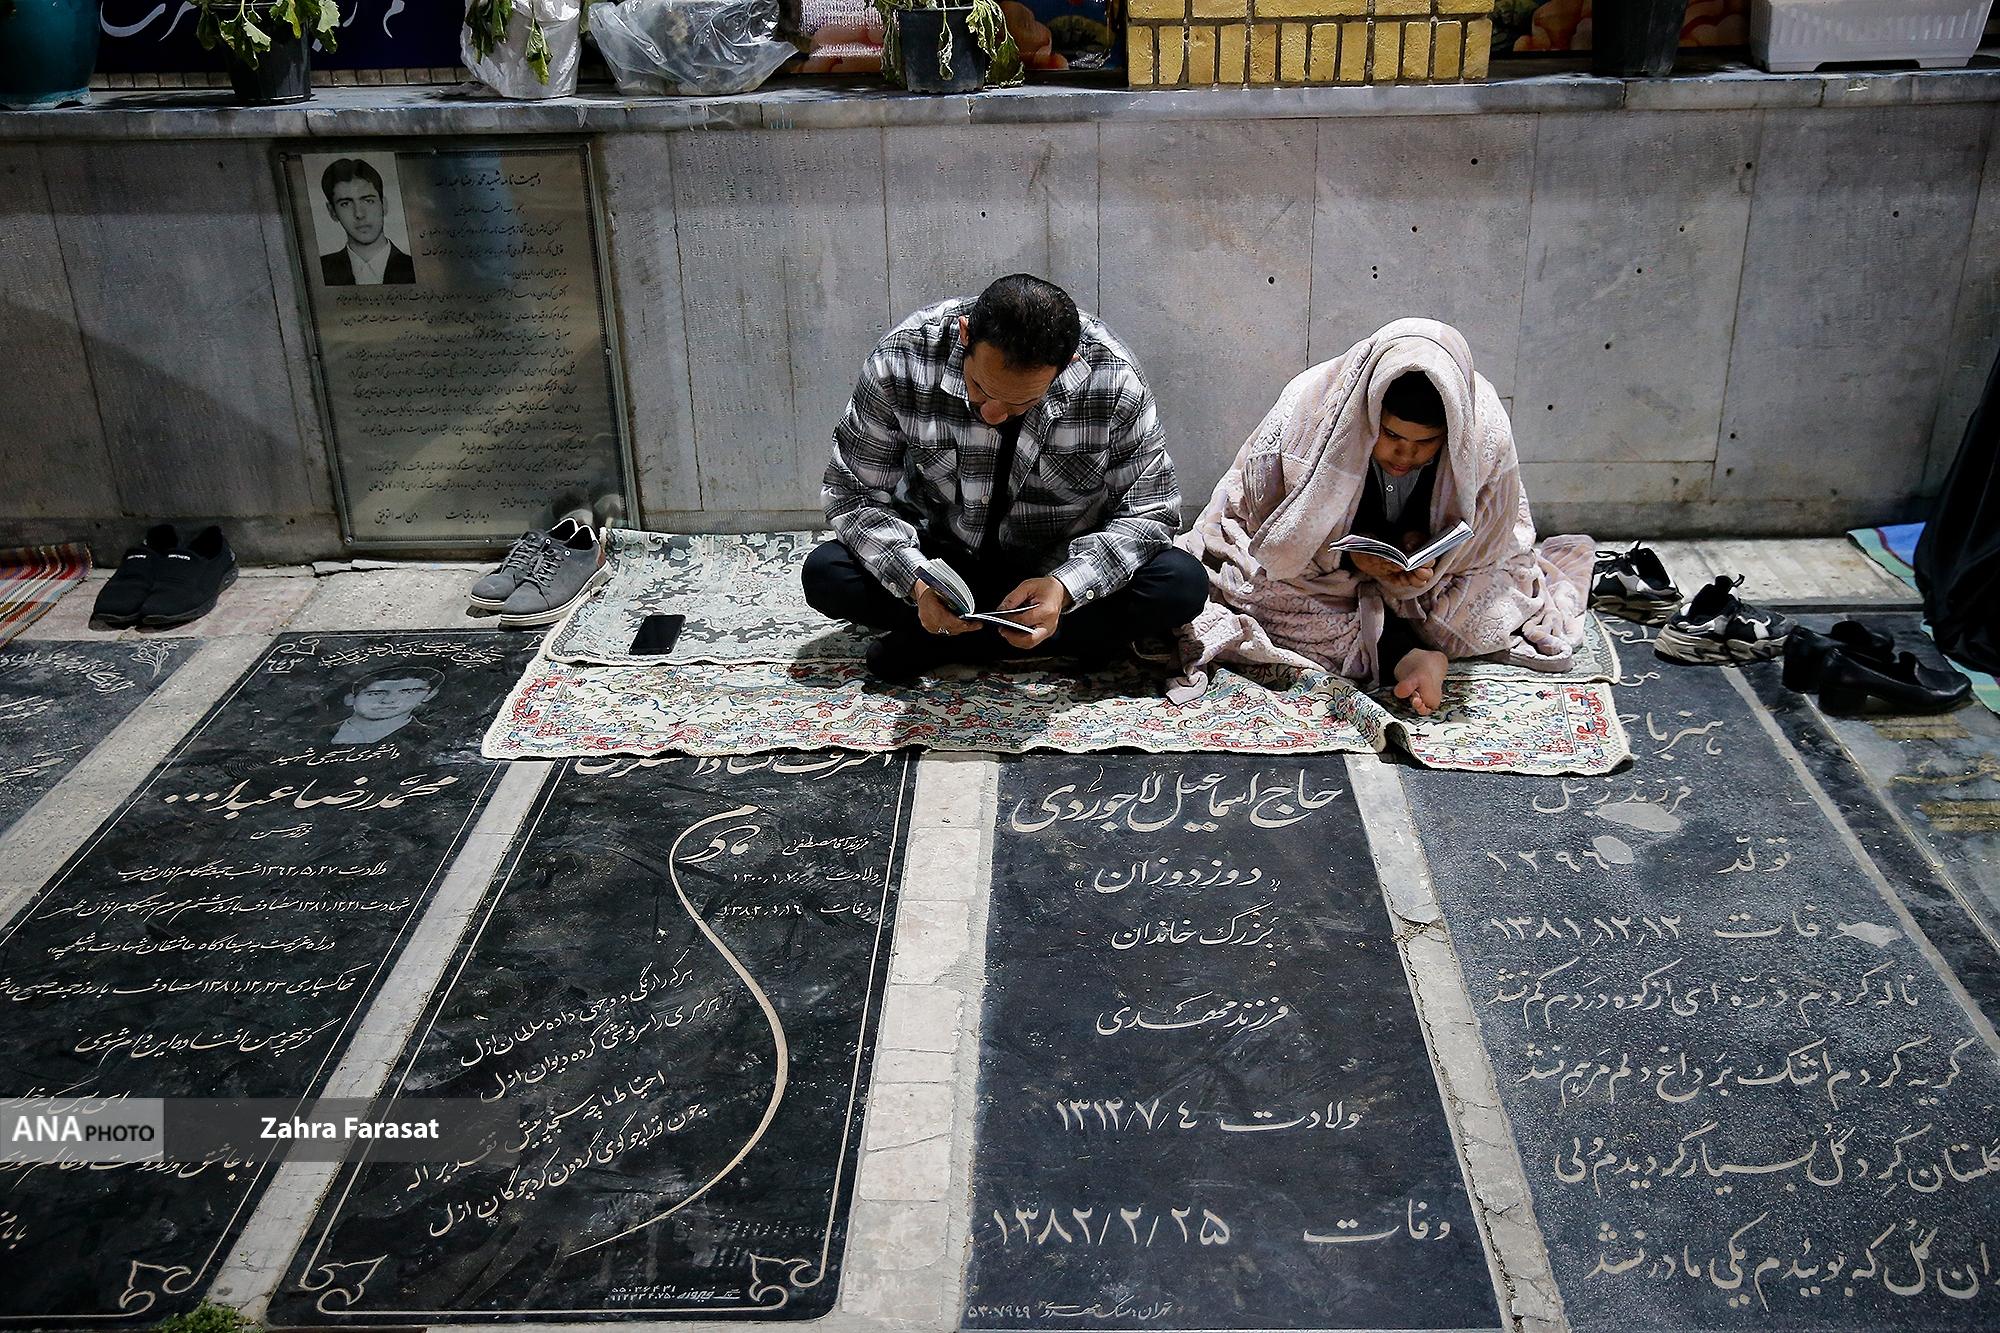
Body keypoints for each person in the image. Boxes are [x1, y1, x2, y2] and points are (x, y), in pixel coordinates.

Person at [1175, 318, 1594, 715]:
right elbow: (1272, 532)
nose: (1404, 455)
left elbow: (1489, 542)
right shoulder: (1310, 409)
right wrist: (1350, 558)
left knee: (1482, 608)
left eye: (1425, 443)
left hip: (1430, 578)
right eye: (1391, 435)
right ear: (1370, 414)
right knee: (1255, 592)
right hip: (1315, 570)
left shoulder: (1485, 432)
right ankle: (1405, 653)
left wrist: (1427, 557)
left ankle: (1397, 640)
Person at [803, 274, 1207, 681]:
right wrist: (916, 584)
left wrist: (1065, 588)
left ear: (1067, 364)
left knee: (1181, 584)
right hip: (945, 559)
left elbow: (1150, 512)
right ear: (965, 334)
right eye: (980, 387)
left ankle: (943, 641)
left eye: (1021, 402)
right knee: (826, 573)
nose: (993, 414)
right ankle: (1052, 642)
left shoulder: (1113, 378)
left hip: (1056, 561)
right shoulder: (903, 359)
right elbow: (852, 494)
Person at [319, 159, 414, 287]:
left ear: (384, 205)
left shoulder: (417, 268)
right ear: (332, 212)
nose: (359, 214)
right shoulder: (319, 271)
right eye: (345, 204)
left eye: (368, 201)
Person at [331, 666, 442, 743]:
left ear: (430, 695)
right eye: (375, 693)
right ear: (350, 699)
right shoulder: (322, 735)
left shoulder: (434, 739)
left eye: (408, 692)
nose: (388, 701)